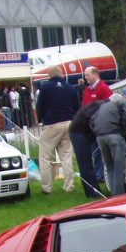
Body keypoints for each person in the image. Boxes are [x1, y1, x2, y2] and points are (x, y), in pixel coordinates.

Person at [35, 65, 80, 194]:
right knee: (66, 157)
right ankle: (69, 186)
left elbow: (39, 107)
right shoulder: (71, 88)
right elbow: (77, 107)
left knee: (45, 157)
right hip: (69, 123)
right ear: (62, 74)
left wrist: (43, 119)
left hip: (52, 123)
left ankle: (47, 188)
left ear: (49, 75)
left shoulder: (45, 87)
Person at [90, 93, 126, 196]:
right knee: (118, 167)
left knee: (109, 167)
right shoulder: (125, 101)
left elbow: (92, 121)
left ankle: (113, 195)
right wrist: (125, 132)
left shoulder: (104, 106)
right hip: (114, 135)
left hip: (100, 137)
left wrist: (97, 132)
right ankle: (119, 196)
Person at [81, 66, 112, 187]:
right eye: (85, 75)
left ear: (95, 74)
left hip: (100, 126)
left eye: (88, 75)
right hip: (89, 126)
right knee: (93, 151)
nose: (86, 77)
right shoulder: (87, 90)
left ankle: (100, 176)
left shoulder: (103, 88)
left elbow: (109, 106)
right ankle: (97, 174)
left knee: (98, 151)